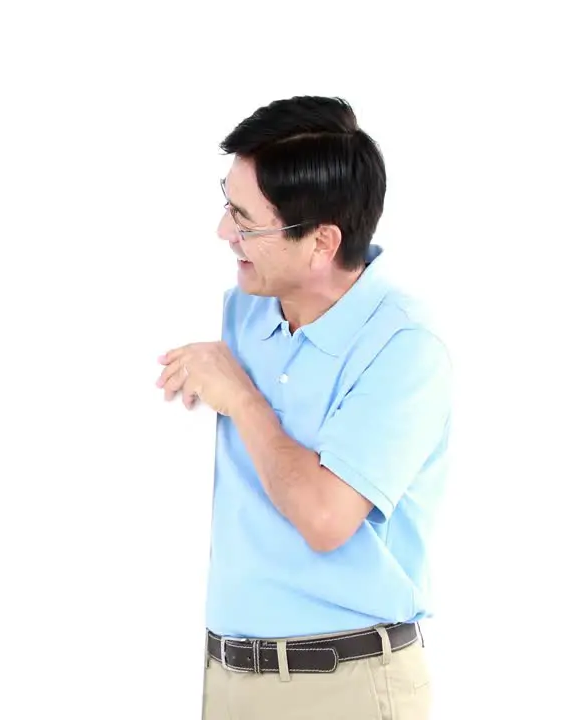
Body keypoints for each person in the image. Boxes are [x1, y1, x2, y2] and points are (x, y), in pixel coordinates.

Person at [156, 97, 451, 719]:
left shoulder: (404, 347)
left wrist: (241, 397)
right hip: (230, 677)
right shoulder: (244, 309)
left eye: (244, 219)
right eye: (225, 204)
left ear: (322, 241)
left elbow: (325, 518)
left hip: (347, 686)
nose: (222, 233)